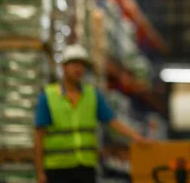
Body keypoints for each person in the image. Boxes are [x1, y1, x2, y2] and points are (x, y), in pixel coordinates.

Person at [34, 44, 150, 183]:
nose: (79, 69)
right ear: (64, 67)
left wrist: (137, 137)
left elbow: (112, 122)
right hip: (57, 169)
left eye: (82, 65)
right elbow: (39, 136)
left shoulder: (92, 95)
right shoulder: (48, 97)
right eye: (74, 64)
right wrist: (40, 172)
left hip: (85, 167)